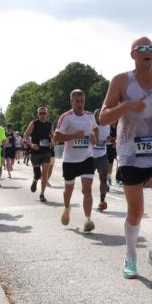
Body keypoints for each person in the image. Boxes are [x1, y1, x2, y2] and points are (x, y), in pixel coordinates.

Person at [100, 36, 152, 280]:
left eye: (151, 48)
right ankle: (131, 256)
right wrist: (125, 107)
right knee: (136, 210)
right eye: (142, 49)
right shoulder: (121, 81)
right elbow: (103, 118)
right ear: (133, 54)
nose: (148, 52)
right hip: (130, 153)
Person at [54, 90, 98, 232]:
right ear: (71, 101)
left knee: (87, 189)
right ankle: (67, 208)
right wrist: (73, 136)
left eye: (82, 101)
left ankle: (87, 219)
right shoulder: (66, 117)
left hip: (87, 157)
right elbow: (56, 137)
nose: (80, 104)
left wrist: (94, 138)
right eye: (77, 101)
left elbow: (95, 130)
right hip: (70, 160)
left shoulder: (90, 116)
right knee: (69, 190)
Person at [23, 107, 54, 201]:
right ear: (38, 114)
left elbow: (53, 136)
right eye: (40, 113)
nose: (42, 115)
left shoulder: (49, 124)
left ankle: (42, 193)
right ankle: (35, 180)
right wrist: (31, 144)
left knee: (45, 173)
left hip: (46, 151)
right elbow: (25, 135)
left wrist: (54, 142)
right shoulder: (33, 123)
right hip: (35, 151)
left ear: (47, 114)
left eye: (44, 113)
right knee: (38, 174)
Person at [91, 109, 112, 212]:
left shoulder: (107, 126)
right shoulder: (92, 126)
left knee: (103, 179)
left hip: (102, 155)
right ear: (95, 117)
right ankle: (87, 197)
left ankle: (102, 201)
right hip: (90, 156)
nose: (101, 117)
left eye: (102, 115)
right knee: (87, 181)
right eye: (99, 115)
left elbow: (107, 137)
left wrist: (112, 140)